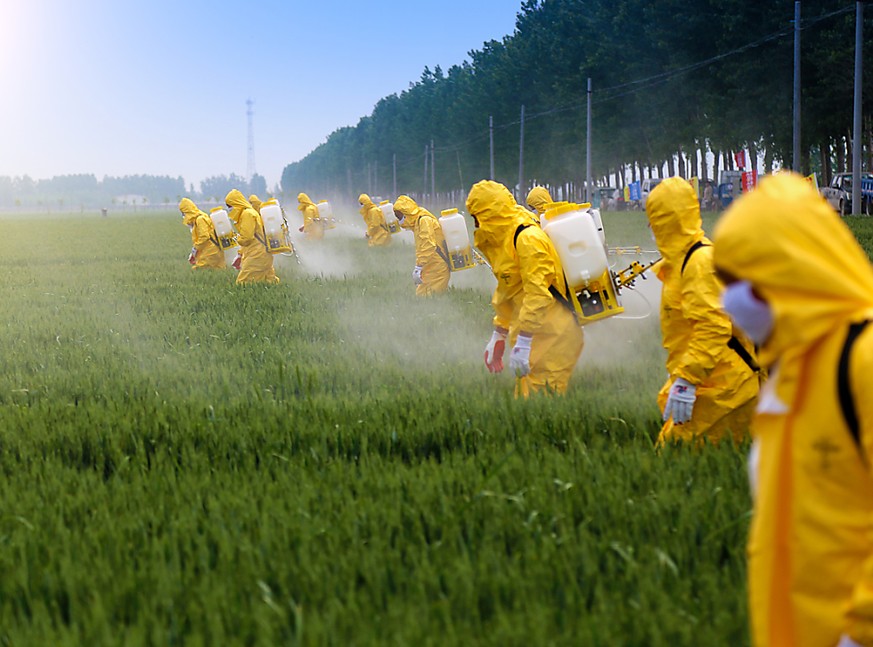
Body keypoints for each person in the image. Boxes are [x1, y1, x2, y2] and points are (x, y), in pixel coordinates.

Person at [712, 172, 873, 647]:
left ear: (789, 272)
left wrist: (861, 632)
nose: (730, 300)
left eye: (741, 282)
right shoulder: (792, 372)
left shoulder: (861, 360)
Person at [645, 176, 758, 445]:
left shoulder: (698, 262)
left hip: (726, 387)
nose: (650, 226)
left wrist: (687, 378)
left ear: (667, 220)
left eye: (654, 218)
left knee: (675, 459)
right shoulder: (682, 262)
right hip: (711, 380)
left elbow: (713, 327)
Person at [466, 180, 583, 397]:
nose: (474, 224)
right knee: (526, 404)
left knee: (540, 410)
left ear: (490, 214)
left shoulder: (527, 238)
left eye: (476, 217)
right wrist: (499, 333)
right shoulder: (506, 239)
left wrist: (525, 340)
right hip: (536, 334)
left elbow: (538, 293)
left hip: (553, 337)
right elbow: (509, 289)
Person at [392, 195, 450, 296]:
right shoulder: (417, 223)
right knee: (422, 297)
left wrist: (419, 266)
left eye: (399, 216)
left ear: (406, 212)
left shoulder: (424, 220)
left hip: (437, 267)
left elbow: (429, 245)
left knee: (431, 298)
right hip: (430, 266)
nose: (398, 219)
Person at [225, 189, 279, 285]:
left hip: (257, 255)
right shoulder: (247, 213)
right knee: (269, 282)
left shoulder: (247, 214)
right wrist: (240, 255)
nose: (229, 209)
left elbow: (247, 238)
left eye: (230, 206)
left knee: (243, 284)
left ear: (237, 203)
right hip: (261, 253)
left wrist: (236, 238)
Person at [178, 197, 224, 270]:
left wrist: (195, 249)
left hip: (211, 252)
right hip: (209, 252)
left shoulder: (200, 219)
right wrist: (194, 253)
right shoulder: (197, 220)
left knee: (198, 270)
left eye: (183, 213)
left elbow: (204, 237)